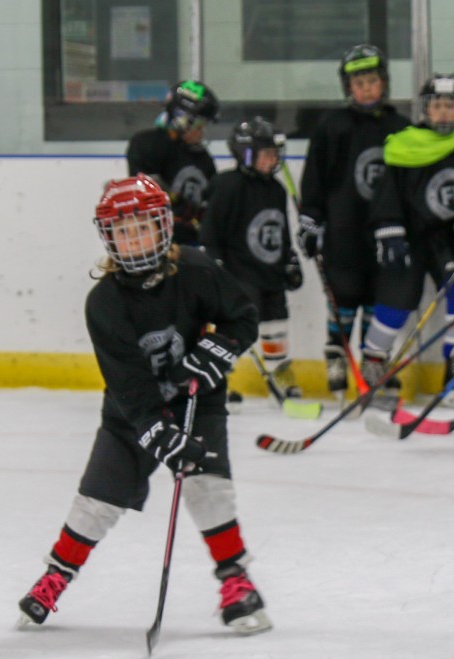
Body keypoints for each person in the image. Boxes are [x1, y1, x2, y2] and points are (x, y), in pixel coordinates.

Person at [17, 174, 271, 635]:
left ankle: (237, 581)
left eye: (143, 227)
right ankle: (56, 574)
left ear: (164, 227)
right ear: (108, 237)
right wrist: (156, 431)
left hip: (199, 403)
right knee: (97, 500)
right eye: (123, 231)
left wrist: (218, 351)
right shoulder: (105, 303)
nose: (134, 240)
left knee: (208, 488)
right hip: (130, 416)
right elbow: (129, 387)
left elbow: (244, 317)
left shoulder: (197, 270)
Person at [363, 73, 454, 399]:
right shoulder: (404, 144)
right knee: (397, 297)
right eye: (437, 105)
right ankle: (374, 360)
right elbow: (387, 194)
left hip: (450, 237)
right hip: (409, 236)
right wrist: (389, 231)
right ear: (425, 109)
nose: (444, 112)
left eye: (451, 105)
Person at [298, 44, 410, 396]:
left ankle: (373, 364)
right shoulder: (333, 127)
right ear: (348, 87)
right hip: (343, 230)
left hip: (385, 232)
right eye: (358, 83)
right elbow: (315, 178)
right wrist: (311, 220)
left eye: (372, 81)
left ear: (384, 83)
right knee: (343, 296)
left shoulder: (400, 127)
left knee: (379, 297)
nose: (365, 89)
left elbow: (410, 182)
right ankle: (336, 355)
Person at [200, 117, 304, 399]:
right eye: (266, 153)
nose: (273, 160)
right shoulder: (227, 185)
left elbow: (279, 232)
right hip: (239, 274)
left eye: (275, 154)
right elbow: (210, 231)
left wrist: (289, 260)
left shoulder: (276, 189)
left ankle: (280, 376)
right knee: (234, 329)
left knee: (277, 326)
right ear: (246, 154)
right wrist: (214, 263)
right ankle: (220, 379)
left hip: (270, 273)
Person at [126, 80, 221, 245]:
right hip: (157, 244)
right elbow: (147, 193)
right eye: (198, 125)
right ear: (181, 120)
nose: (201, 132)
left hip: (191, 244)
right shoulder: (148, 144)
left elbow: (209, 206)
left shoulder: (204, 159)